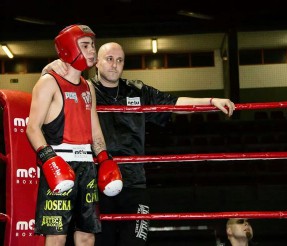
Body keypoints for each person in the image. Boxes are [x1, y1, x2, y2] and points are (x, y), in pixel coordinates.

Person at [42, 42, 235, 246]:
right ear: (97, 62)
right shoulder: (83, 90)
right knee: (97, 242)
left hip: (134, 182)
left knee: (135, 242)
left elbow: (173, 102)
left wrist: (210, 101)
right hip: (95, 181)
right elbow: (54, 96)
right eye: (109, 59)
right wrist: (49, 70)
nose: (115, 65)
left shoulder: (137, 90)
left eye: (120, 60)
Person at [26, 26, 122, 246]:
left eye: (93, 46)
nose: (91, 51)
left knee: (87, 236)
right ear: (70, 48)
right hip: (59, 160)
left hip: (86, 164)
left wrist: (104, 158)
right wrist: (50, 159)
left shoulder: (88, 87)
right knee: (57, 236)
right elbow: (32, 127)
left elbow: (95, 130)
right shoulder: (48, 82)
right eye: (85, 45)